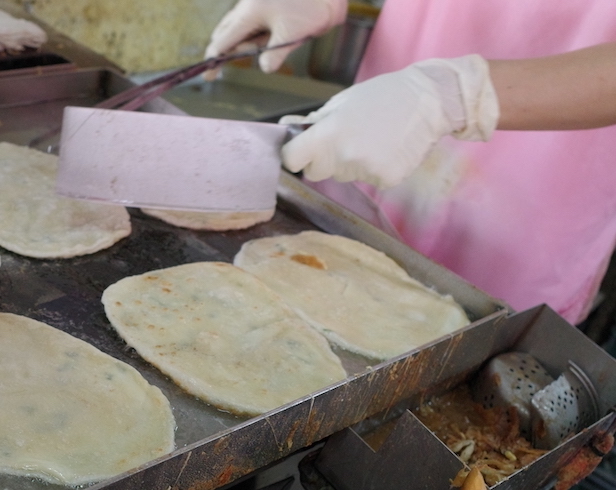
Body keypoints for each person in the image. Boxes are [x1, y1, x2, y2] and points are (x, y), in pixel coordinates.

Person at [205, 0, 616, 324]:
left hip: (546, 145)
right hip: (389, 100)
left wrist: (455, 96)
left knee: (475, 334)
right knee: (328, 264)